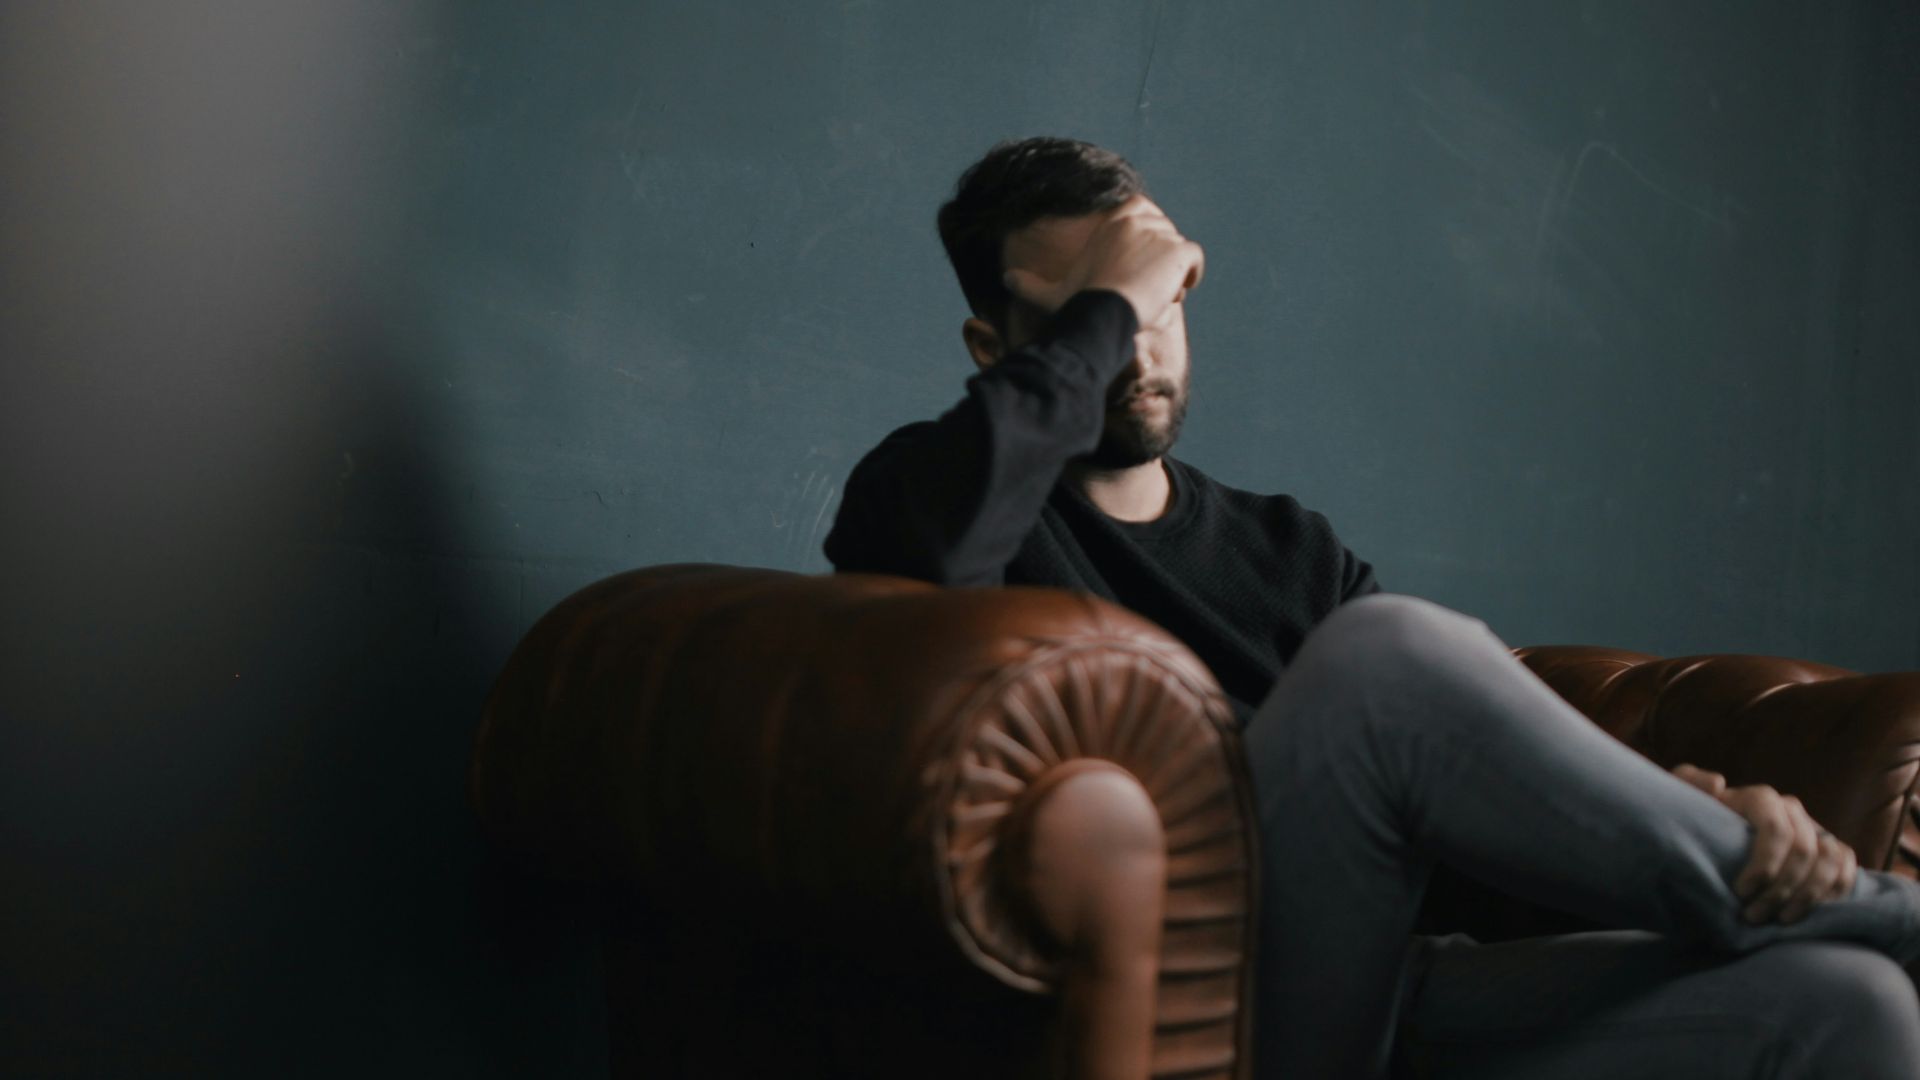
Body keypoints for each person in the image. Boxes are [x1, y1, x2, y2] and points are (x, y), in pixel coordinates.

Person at [823, 136, 1920, 1078]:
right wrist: (1118, 296)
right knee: (1385, 655)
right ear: (999, 349)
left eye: (1163, 301)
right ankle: (1879, 911)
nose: (1142, 345)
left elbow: (1453, 837)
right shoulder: (929, 491)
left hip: (1376, 996)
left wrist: (1678, 812)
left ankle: (1816, 907)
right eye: (1099, 317)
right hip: (1189, 1014)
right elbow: (940, 551)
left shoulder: (1288, 547)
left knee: (1847, 1005)